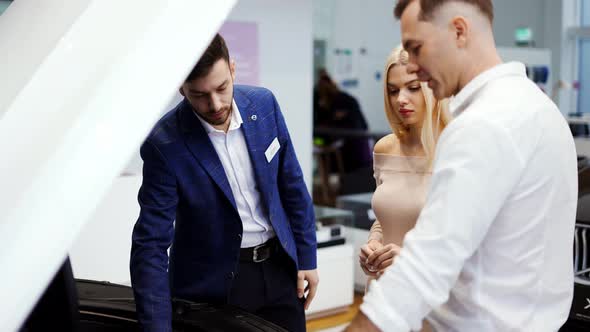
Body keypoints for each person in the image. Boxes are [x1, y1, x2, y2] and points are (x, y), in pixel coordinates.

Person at [347, 0, 577, 331]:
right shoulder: (541, 109)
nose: (413, 66)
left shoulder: (481, 125)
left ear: (459, 30)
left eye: (417, 48)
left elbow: (425, 267)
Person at [130, 33, 318, 332]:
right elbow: (150, 245)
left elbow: (291, 184)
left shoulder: (264, 103)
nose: (215, 104)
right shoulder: (164, 144)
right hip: (215, 287)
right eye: (200, 95)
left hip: (280, 268)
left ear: (232, 69)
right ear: (181, 88)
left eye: (221, 88)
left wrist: (307, 257)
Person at [358, 45, 450, 332]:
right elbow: (386, 220)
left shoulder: (456, 150)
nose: (402, 99)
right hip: (385, 292)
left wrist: (413, 262)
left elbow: (471, 243)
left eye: (412, 88)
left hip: (436, 301)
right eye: (393, 90)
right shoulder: (385, 148)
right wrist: (373, 245)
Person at [313, 69, 372, 173]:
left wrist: (322, 141)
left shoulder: (342, 101)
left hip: (354, 145)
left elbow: (357, 126)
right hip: (351, 142)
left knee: (355, 173)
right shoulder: (324, 101)